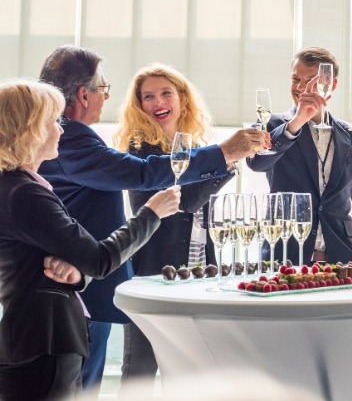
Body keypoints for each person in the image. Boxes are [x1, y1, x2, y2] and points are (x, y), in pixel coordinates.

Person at [37, 45, 265, 394]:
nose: (105, 97)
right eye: (103, 88)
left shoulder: (69, 137)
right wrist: (225, 153)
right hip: (76, 285)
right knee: (83, 387)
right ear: (84, 95)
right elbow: (145, 174)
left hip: (83, 282)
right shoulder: (72, 138)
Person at [0, 79, 181, 401]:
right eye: (53, 121)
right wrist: (151, 214)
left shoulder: (19, 187)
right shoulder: (24, 194)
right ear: (31, 130)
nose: (61, 130)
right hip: (44, 343)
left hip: (38, 341)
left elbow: (56, 265)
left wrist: (76, 274)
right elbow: (99, 259)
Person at [112, 63, 263, 386]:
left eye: (166, 93)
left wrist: (224, 159)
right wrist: (227, 158)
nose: (158, 102)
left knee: (187, 371)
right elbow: (186, 202)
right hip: (153, 273)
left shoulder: (194, 150)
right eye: (148, 96)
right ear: (139, 106)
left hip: (196, 271)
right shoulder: (140, 152)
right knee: (139, 369)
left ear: (182, 98)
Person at [247, 46, 352, 264]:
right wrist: (296, 122)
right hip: (285, 258)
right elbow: (257, 163)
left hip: (342, 261)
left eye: (310, 81)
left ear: (331, 84)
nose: (300, 87)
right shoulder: (270, 125)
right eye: (295, 79)